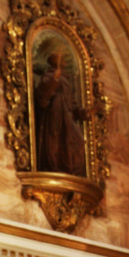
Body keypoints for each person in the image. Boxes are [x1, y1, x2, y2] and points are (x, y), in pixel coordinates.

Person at [35, 48, 89, 177]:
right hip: (55, 117)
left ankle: (70, 170)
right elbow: (43, 95)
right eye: (61, 59)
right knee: (55, 144)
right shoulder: (49, 76)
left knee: (79, 141)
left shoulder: (66, 82)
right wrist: (54, 79)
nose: (64, 61)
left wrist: (84, 112)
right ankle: (54, 168)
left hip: (67, 118)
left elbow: (72, 105)